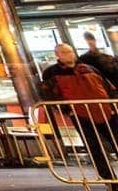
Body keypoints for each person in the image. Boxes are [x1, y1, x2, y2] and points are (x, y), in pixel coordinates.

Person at [41, 43, 118, 181]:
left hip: (104, 110)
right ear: (57, 55)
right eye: (64, 52)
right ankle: (109, 179)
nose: (69, 55)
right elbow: (48, 94)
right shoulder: (52, 73)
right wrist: (67, 110)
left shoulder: (90, 69)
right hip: (80, 114)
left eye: (70, 51)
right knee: (94, 148)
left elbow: (107, 87)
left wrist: (112, 106)